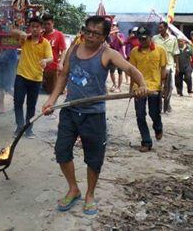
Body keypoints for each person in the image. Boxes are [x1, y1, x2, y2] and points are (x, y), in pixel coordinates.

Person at [42, 16, 149, 215]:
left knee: (94, 158)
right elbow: (64, 75)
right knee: (62, 151)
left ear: (104, 37)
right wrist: (52, 100)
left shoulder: (108, 54)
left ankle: (90, 194)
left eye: (95, 33)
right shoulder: (73, 49)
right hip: (70, 110)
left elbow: (131, 69)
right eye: (87, 31)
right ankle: (73, 189)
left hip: (93, 114)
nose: (89, 36)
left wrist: (142, 86)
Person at [11, 17, 53, 139]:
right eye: (32, 26)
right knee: (17, 102)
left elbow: (51, 58)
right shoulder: (25, 39)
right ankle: (19, 127)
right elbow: (12, 32)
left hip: (36, 79)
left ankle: (29, 130)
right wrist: (21, 33)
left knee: (31, 105)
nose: (35, 29)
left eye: (37, 27)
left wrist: (45, 60)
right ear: (30, 27)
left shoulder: (45, 43)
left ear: (41, 29)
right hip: (21, 75)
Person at [129, 27, 167, 152]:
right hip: (139, 89)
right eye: (139, 39)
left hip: (154, 88)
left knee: (153, 113)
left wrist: (163, 87)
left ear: (150, 38)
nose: (142, 41)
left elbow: (163, 70)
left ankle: (158, 127)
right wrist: (131, 89)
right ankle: (146, 141)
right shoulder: (134, 52)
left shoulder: (160, 51)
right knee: (140, 115)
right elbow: (132, 72)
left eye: (144, 39)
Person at [153, 21, 180, 113]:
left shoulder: (173, 39)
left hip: (170, 64)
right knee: (159, 86)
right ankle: (159, 105)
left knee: (170, 86)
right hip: (158, 65)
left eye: (161, 28)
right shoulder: (155, 38)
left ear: (166, 28)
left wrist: (177, 67)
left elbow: (176, 53)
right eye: (159, 28)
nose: (159, 29)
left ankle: (167, 104)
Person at [42, 13, 67, 94]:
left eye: (48, 24)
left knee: (52, 92)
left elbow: (63, 50)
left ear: (53, 23)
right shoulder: (41, 35)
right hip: (41, 68)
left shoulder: (59, 35)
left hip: (53, 68)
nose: (46, 26)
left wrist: (61, 63)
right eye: (45, 24)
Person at [0, 48, 18, 112]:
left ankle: (18, 103)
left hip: (10, 60)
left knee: (8, 87)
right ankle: (1, 107)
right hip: (2, 59)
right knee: (0, 86)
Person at [108, 22, 126, 92]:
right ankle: (114, 84)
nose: (113, 27)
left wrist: (117, 36)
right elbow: (110, 46)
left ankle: (119, 87)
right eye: (113, 26)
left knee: (120, 72)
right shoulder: (111, 37)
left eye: (115, 26)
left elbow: (122, 43)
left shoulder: (121, 35)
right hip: (113, 56)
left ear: (118, 28)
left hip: (120, 56)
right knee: (111, 71)